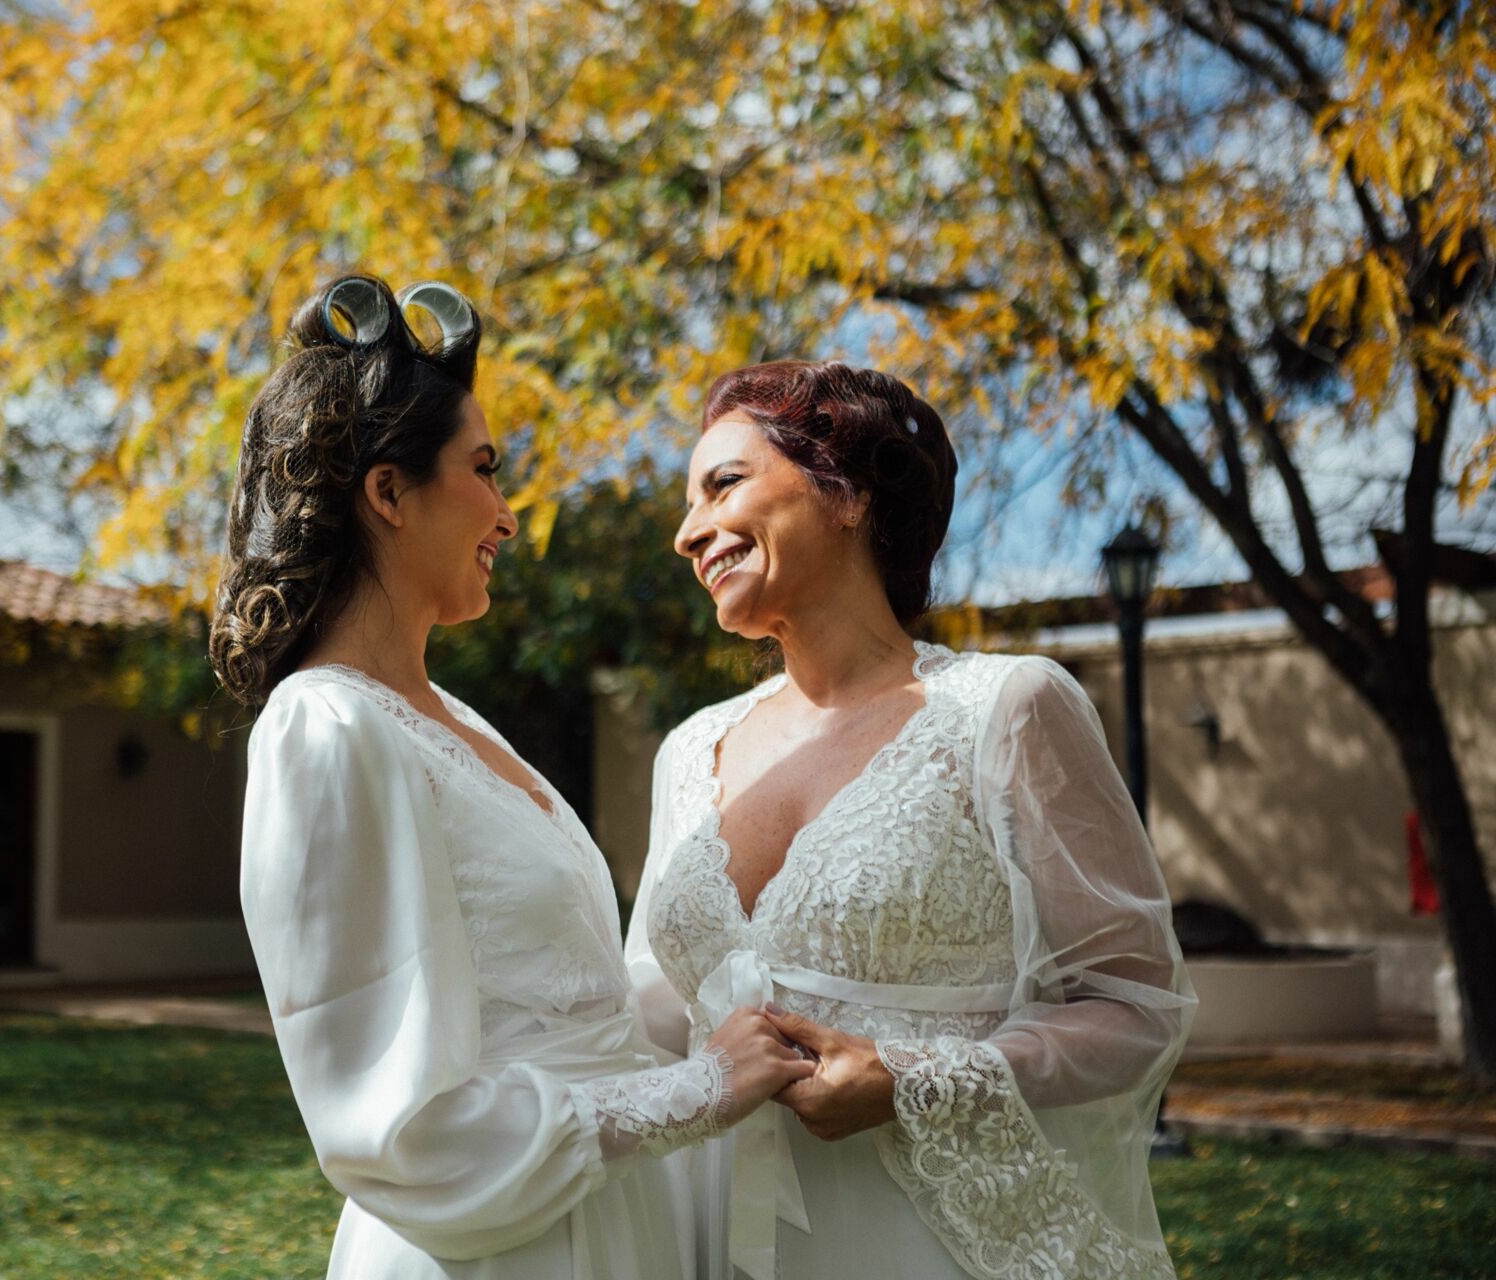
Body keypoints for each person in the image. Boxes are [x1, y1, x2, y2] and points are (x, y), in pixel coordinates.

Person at [215, 276, 812, 1280]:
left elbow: (566, 1002)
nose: (505, 511)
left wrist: (742, 979)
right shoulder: (324, 728)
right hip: (497, 1249)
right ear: (389, 493)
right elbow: (399, 1128)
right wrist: (700, 1089)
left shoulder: (458, 723)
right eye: (483, 469)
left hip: (612, 1221)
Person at [626, 361, 1197, 1280]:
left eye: (722, 484)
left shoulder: (1004, 710)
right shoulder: (689, 750)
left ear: (847, 491)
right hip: (707, 1231)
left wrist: (915, 1079)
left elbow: (1135, 1006)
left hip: (934, 1243)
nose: (690, 532)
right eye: (688, 506)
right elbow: (650, 1010)